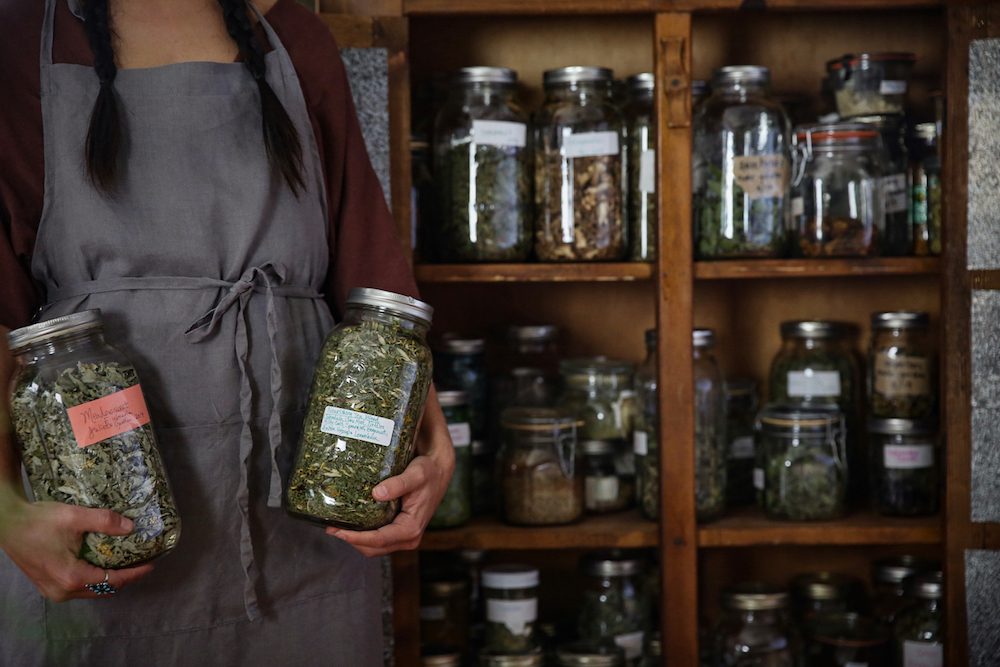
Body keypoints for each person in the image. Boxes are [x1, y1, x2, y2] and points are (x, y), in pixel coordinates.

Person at [0, 0, 455, 664]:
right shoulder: (20, 39)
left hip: (306, 547)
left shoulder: (293, 37)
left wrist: (435, 451)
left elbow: (375, 292)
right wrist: (7, 512)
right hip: (102, 541)